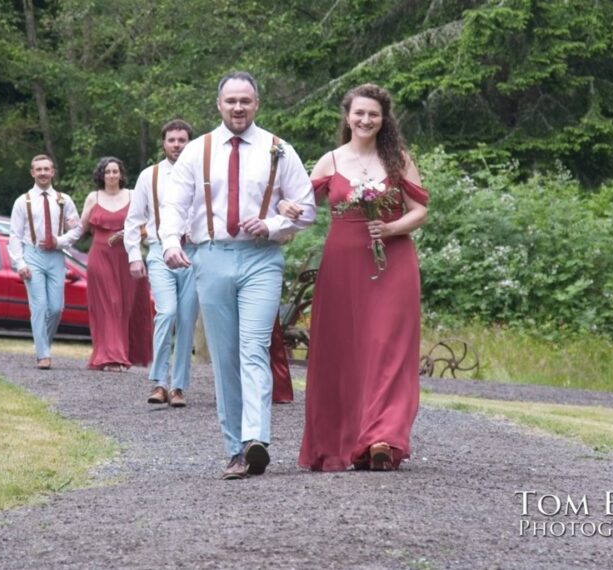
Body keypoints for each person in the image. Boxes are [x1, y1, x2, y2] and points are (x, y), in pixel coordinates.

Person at [161, 71, 315, 480]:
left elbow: (307, 208)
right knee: (225, 356)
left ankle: (256, 439)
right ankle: (234, 449)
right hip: (210, 256)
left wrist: (274, 225)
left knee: (253, 348)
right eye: (231, 101)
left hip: (261, 259)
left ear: (257, 104)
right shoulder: (197, 151)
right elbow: (174, 205)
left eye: (245, 100)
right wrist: (170, 244)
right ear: (219, 104)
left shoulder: (278, 149)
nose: (238, 107)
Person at [290, 83, 429, 472]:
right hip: (341, 269)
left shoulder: (398, 159)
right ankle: (340, 439)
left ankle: (382, 438)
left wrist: (391, 228)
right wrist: (282, 208)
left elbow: (420, 210)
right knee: (344, 350)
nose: (366, 120)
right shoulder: (330, 161)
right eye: (359, 113)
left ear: (384, 120)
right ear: (347, 116)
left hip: (393, 264)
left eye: (374, 114)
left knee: (387, 348)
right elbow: (302, 208)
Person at [124, 119, 199, 408]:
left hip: (193, 254)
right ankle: (159, 383)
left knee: (186, 320)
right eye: (172, 140)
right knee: (166, 312)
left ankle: (178, 387)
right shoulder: (149, 176)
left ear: (189, 143)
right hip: (159, 252)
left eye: (182, 140)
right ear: (163, 143)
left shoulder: (201, 174)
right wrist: (134, 256)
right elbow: (133, 220)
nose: (177, 145)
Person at [77, 157, 153, 371]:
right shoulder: (94, 197)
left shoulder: (132, 195)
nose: (111, 175)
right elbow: (80, 228)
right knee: (110, 303)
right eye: (107, 172)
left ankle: (126, 353)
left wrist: (131, 232)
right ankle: (111, 357)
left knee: (127, 305)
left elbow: (146, 225)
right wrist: (60, 241)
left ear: (121, 174)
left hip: (127, 256)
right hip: (100, 256)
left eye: (115, 171)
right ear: (101, 175)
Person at [8, 154, 82, 369]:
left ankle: (43, 344)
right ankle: (43, 354)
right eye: (38, 169)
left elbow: (76, 229)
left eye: (46, 169)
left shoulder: (63, 199)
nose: (42, 173)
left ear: (52, 172)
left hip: (56, 256)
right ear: (32, 172)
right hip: (32, 255)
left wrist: (59, 241)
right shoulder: (23, 201)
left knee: (57, 308)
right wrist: (20, 263)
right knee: (39, 306)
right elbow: (14, 234)